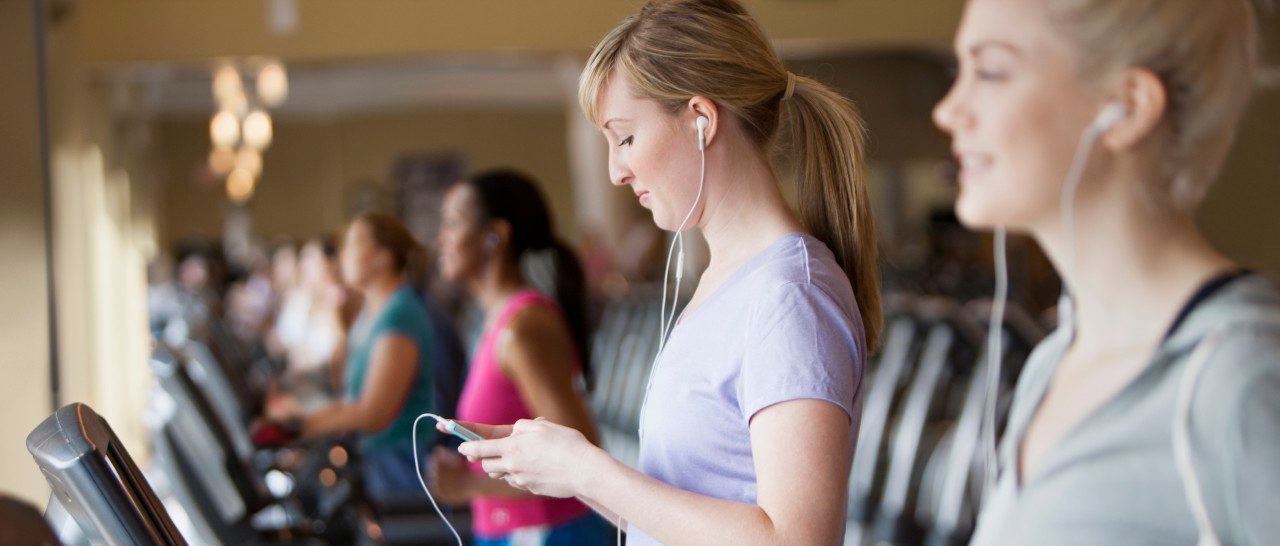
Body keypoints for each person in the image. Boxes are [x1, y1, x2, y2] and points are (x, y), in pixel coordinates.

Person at [442, 1, 883, 544]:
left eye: (624, 138)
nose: (615, 171)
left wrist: (589, 470)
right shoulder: (727, 281)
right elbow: (674, 516)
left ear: (701, 120)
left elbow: (795, 540)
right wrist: (556, 466)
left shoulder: (789, 296)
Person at [932, 0, 1280, 543]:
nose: (948, 111)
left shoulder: (1238, 377)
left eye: (992, 72)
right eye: (961, 72)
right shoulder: (1054, 362)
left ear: (1127, 105)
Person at [427, 169, 611, 545]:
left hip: (547, 532)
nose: (439, 239)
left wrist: (468, 485)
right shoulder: (495, 320)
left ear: (495, 236)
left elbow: (581, 457)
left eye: (452, 223)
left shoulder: (524, 326)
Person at [265, 213, 438, 502]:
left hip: (400, 470)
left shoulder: (400, 312)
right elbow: (345, 389)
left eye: (353, 244)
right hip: (377, 462)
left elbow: (373, 413)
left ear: (382, 258)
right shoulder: (372, 311)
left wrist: (299, 426)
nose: (342, 255)